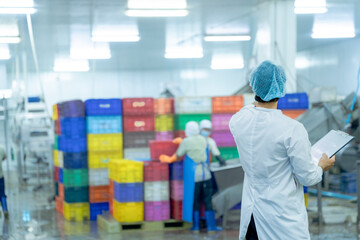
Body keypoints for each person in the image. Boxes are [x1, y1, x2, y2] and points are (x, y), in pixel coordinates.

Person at [229, 60, 335, 240]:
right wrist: (321, 166)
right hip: (281, 220)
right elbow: (308, 177)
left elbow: (250, 110)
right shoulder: (292, 129)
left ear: (253, 87)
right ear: (281, 89)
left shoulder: (238, 120)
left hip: (253, 215)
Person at [160, 121, 221, 233]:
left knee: (195, 200)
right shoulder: (204, 140)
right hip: (206, 174)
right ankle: (212, 227)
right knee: (207, 200)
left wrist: (169, 159)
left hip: (194, 176)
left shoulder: (186, 142)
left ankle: (196, 227)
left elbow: (178, 155)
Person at [0, 146, 8, 219]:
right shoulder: (1, 148)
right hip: (0, 176)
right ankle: (5, 210)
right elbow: (4, 158)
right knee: (2, 194)